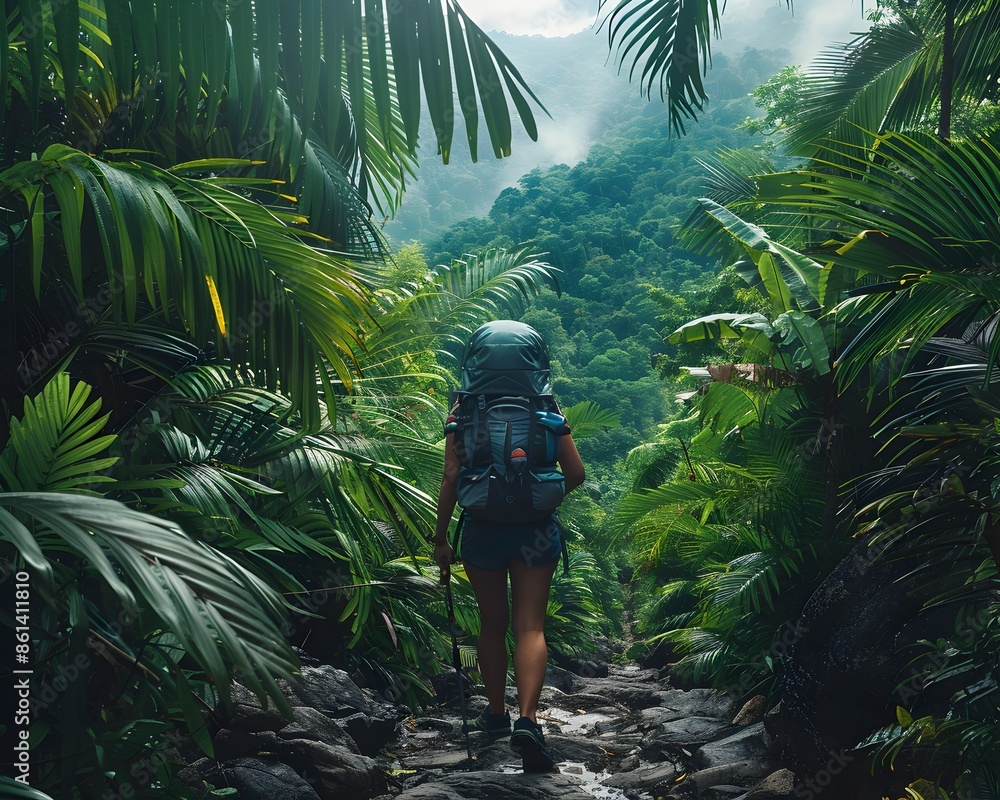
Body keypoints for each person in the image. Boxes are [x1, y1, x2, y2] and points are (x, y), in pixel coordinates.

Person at [433, 322, 585, 773]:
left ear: (475, 358)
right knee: (530, 627)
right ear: (535, 359)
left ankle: (496, 715)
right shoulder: (545, 406)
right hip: (536, 531)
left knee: (491, 624)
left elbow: (449, 478)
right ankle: (528, 720)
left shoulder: (464, 408)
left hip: (481, 528)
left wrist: (441, 539)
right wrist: (540, 499)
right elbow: (575, 474)